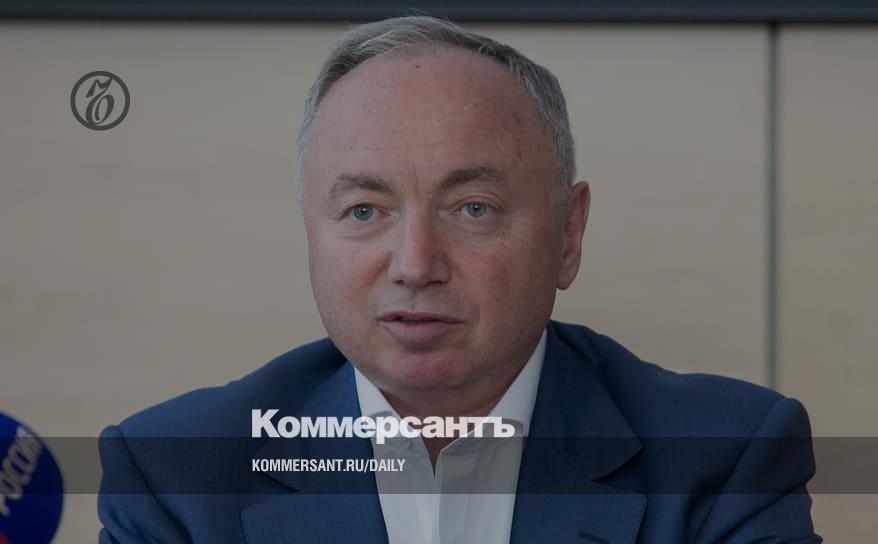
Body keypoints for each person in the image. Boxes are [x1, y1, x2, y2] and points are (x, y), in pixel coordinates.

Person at [98, 16, 821, 543]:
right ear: (311, 235)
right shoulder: (176, 474)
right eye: (364, 210)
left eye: (474, 208)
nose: (416, 265)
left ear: (568, 236)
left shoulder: (725, 459)